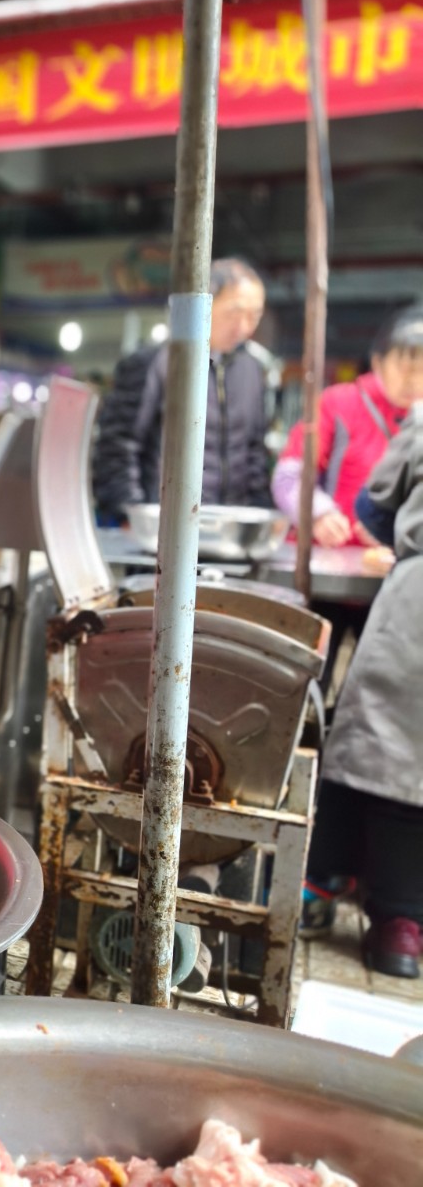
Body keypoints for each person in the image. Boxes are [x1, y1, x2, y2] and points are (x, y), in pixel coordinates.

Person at [307, 403, 423, 977]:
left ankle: (349, 898)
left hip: (415, 611)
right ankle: (400, 924)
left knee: (382, 750)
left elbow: (374, 505)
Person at [92, 258, 276, 521]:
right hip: (164, 528)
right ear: (205, 304)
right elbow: (118, 445)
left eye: (254, 316)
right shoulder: (156, 362)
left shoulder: (253, 371)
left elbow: (255, 454)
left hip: (228, 530)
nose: (244, 327)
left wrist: (258, 514)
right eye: (235, 313)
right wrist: (128, 513)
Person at [272, 304, 423, 547]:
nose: (414, 382)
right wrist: (320, 514)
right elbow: (288, 476)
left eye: (422, 371)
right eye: (405, 369)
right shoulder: (338, 403)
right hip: (333, 556)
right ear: (377, 362)